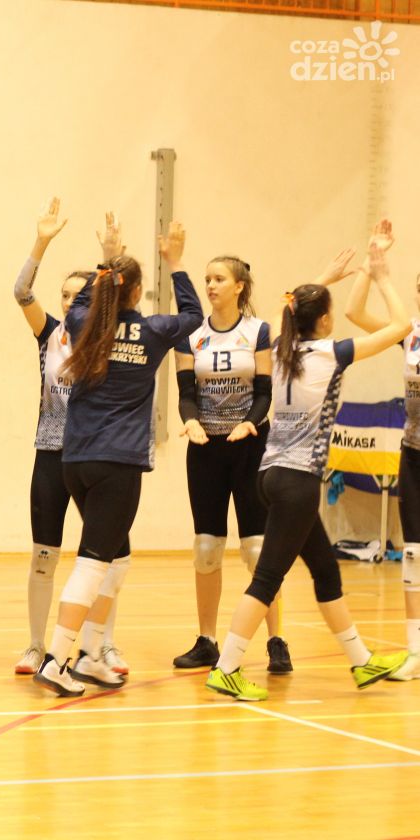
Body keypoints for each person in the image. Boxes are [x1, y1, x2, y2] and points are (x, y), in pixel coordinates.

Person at [207, 236, 412, 700]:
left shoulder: (283, 347)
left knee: (325, 570)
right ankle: (227, 667)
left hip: (270, 475)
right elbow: (402, 326)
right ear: (324, 320)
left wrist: (328, 278)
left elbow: (291, 309)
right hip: (297, 482)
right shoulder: (331, 353)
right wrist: (379, 275)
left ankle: (361, 661)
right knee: (267, 580)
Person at [35, 215, 202, 697]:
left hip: (76, 460)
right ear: (137, 294)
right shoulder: (155, 330)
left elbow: (82, 302)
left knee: (118, 557)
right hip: (118, 463)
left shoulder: (82, 323)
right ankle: (57, 660)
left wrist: (105, 262)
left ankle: (91, 654)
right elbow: (193, 315)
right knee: (93, 562)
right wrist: (176, 262)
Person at [172, 252, 287, 672]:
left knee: (257, 549)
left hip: (249, 445)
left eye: (219, 279)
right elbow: (186, 392)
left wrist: (249, 423)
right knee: (207, 548)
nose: (210, 286)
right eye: (207, 279)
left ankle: (276, 640)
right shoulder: (192, 334)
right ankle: (207, 640)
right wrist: (190, 420)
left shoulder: (257, 332)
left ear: (239, 286)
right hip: (205, 447)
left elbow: (264, 392)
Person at [11, 199, 98, 674]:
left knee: (100, 557)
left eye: (78, 296)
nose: (68, 302)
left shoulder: (108, 342)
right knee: (44, 556)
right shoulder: (50, 335)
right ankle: (34, 644)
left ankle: (99, 646)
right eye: (64, 295)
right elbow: (21, 291)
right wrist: (41, 242)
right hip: (50, 454)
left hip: (92, 457)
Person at [347, 221, 420, 682]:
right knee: (413, 553)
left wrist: (385, 277)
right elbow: (354, 311)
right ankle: (415, 651)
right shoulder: (411, 335)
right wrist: (372, 264)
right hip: (413, 453)